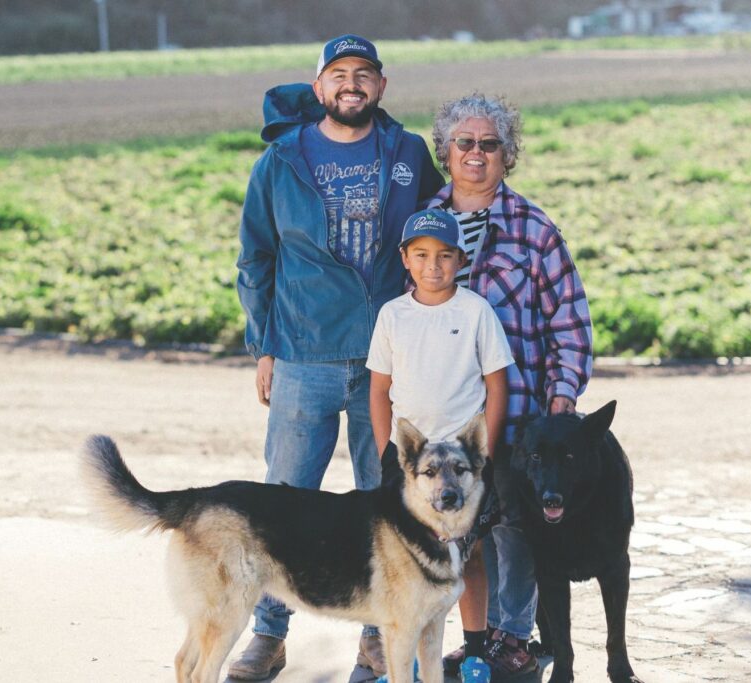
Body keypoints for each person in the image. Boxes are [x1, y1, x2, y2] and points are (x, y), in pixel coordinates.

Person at [230, 34, 444, 680]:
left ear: (381, 86)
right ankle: (269, 635)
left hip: (386, 359)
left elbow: (438, 239)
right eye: (338, 75)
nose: (351, 85)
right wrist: (264, 343)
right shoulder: (281, 160)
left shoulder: (407, 154)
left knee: (386, 499)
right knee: (283, 501)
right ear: (319, 86)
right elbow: (256, 257)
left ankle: (379, 640)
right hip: (303, 353)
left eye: (364, 75)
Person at [425, 94, 593, 678]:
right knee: (461, 525)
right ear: (446, 151)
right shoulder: (424, 223)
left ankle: (513, 635)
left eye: (489, 144)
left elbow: (570, 325)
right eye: (465, 143)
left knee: (513, 526)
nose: (476, 153)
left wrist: (562, 401)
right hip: (445, 415)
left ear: (506, 154)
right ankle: (476, 636)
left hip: (519, 412)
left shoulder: (535, 229)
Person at [367, 207, 512, 478]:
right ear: (405, 258)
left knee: (463, 520)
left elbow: (497, 387)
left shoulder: (476, 311)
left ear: (460, 260)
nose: (433, 265)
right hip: (407, 454)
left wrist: (485, 453)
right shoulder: (392, 314)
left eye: (445, 256)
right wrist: (385, 451)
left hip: (462, 456)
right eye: (421, 255)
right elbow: (379, 390)